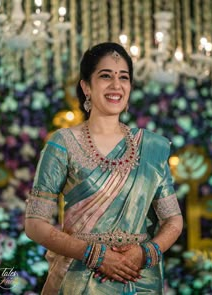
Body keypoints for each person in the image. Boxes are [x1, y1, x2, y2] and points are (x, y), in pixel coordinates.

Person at [25, 42, 183, 295]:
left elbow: (173, 219)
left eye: (124, 78)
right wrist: (95, 255)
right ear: (86, 86)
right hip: (80, 277)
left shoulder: (151, 147)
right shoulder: (63, 143)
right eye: (105, 76)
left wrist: (145, 253)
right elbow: (35, 224)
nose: (116, 85)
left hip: (140, 278)